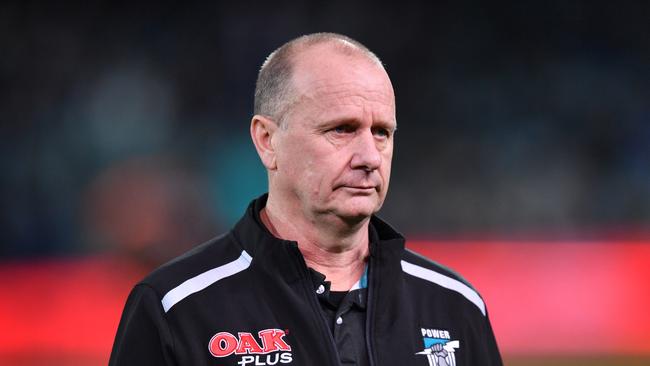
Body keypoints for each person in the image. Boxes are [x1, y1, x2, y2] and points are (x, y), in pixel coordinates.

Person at [109, 32, 502, 366]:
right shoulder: (175, 309)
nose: (369, 157)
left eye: (382, 132)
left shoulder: (456, 306)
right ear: (267, 141)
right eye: (342, 129)